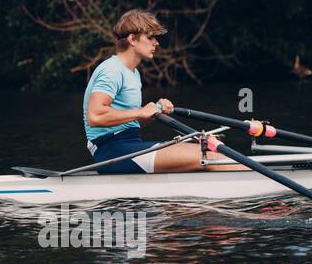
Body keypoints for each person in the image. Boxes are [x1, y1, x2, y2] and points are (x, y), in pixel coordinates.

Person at [82, 10, 244, 174]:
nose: (156, 43)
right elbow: (95, 116)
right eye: (150, 37)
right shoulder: (112, 70)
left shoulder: (133, 73)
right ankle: (261, 186)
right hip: (112, 151)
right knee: (208, 156)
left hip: (128, 146)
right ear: (132, 39)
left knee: (212, 153)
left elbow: (132, 122)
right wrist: (140, 112)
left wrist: (155, 110)